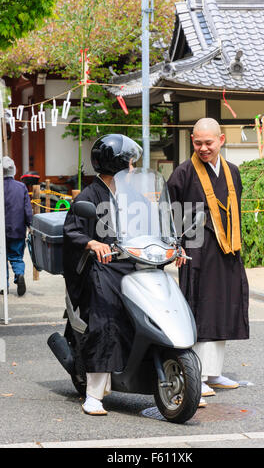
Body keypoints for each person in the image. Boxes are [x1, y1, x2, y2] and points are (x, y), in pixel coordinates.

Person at [167, 118, 249, 406]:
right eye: (198, 143)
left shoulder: (232, 171)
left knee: (223, 308)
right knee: (200, 309)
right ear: (192, 140)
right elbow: (170, 212)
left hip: (227, 249)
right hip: (197, 251)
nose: (203, 148)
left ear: (221, 140)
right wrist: (175, 245)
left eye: (209, 143)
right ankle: (196, 377)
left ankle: (214, 373)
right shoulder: (183, 173)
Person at [63, 134, 142, 416]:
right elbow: (72, 230)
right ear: (118, 165)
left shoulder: (132, 196)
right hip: (100, 268)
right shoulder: (88, 197)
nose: (134, 170)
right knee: (105, 319)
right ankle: (94, 394)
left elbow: (148, 226)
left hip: (131, 265)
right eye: (131, 164)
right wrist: (92, 243)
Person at [2, 156, 32, 296]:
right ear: (13, 170)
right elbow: (27, 209)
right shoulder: (21, 187)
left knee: (2, 258)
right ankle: (19, 274)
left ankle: (4, 286)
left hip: (1, 230)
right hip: (17, 229)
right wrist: (30, 225)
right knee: (16, 256)